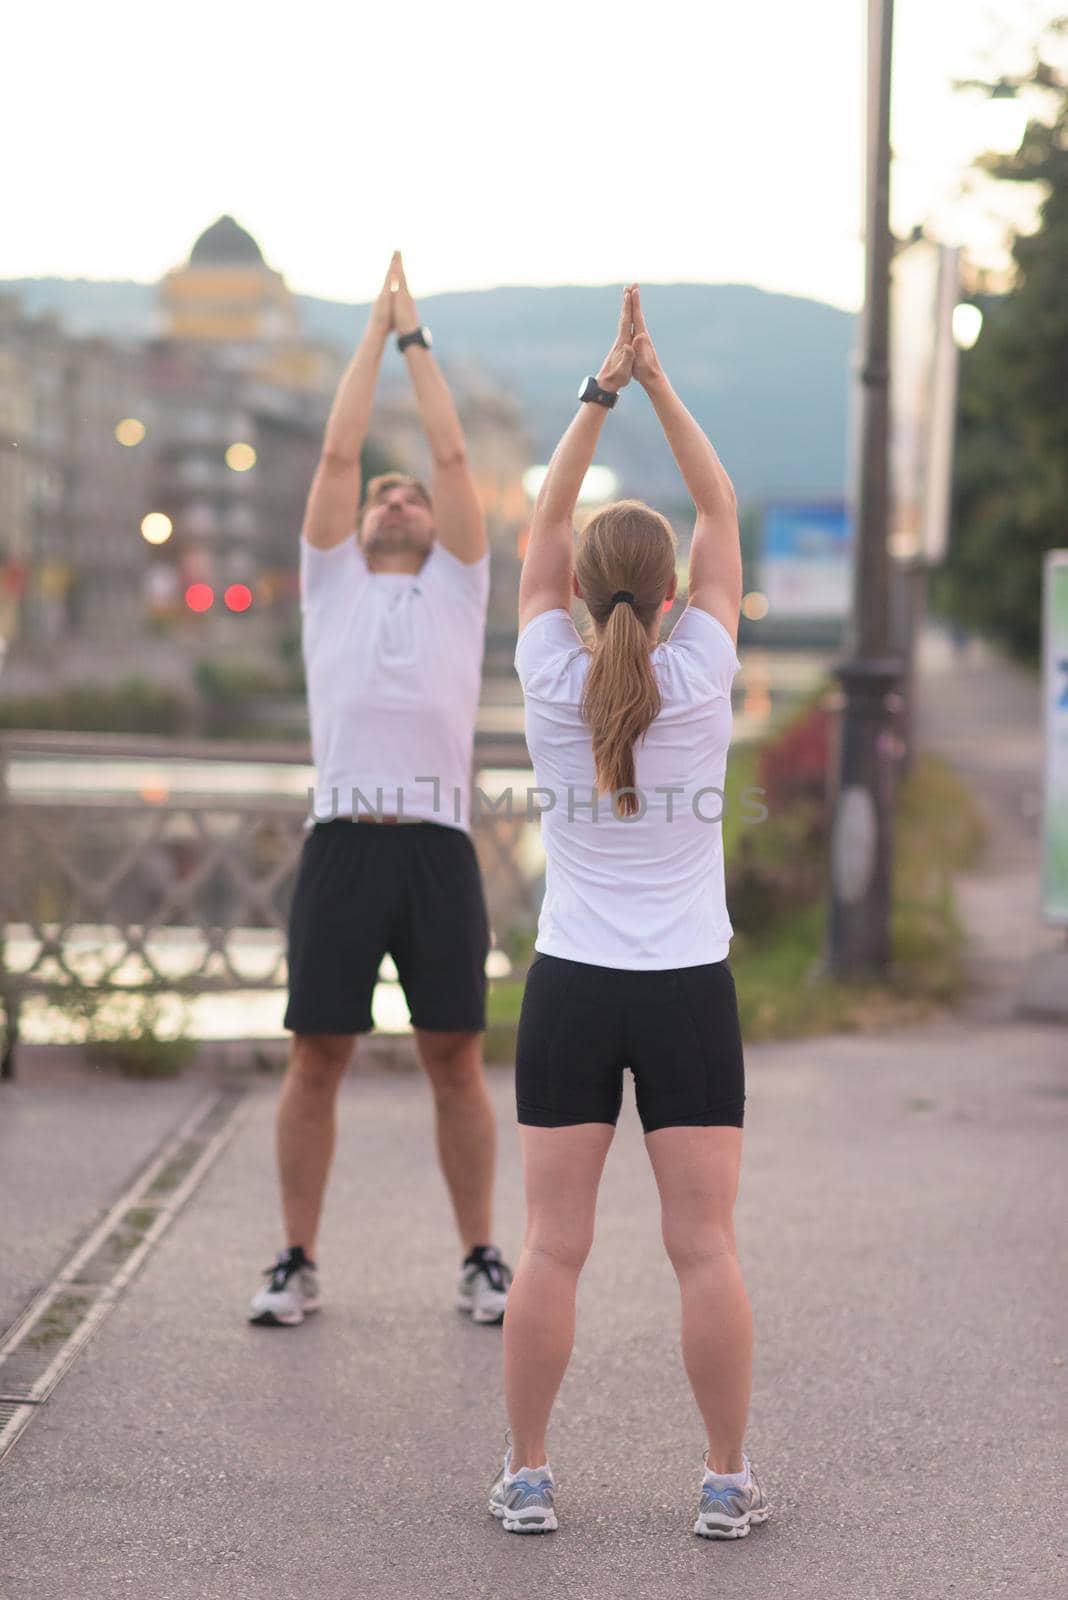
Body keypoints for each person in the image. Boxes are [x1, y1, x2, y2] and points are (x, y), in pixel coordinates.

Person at [488, 286, 770, 1539]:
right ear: (669, 599)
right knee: (703, 1248)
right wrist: (660, 385)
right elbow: (718, 510)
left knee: (551, 1247)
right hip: (687, 990)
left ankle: (531, 1476)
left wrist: (600, 391)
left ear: (585, 592)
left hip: (574, 985)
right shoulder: (703, 672)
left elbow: (542, 522)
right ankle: (722, 1484)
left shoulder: (549, 674)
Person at [250, 254, 512, 1329]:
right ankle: (296, 1259)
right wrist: (369, 331)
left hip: (439, 846)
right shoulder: (330, 586)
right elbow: (340, 448)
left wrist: (417, 341)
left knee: (456, 1054)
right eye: (383, 496)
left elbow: (448, 449)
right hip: (345, 844)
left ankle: (482, 1255)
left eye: (411, 495)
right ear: (356, 531)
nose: (398, 494)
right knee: (319, 1055)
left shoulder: (459, 583)